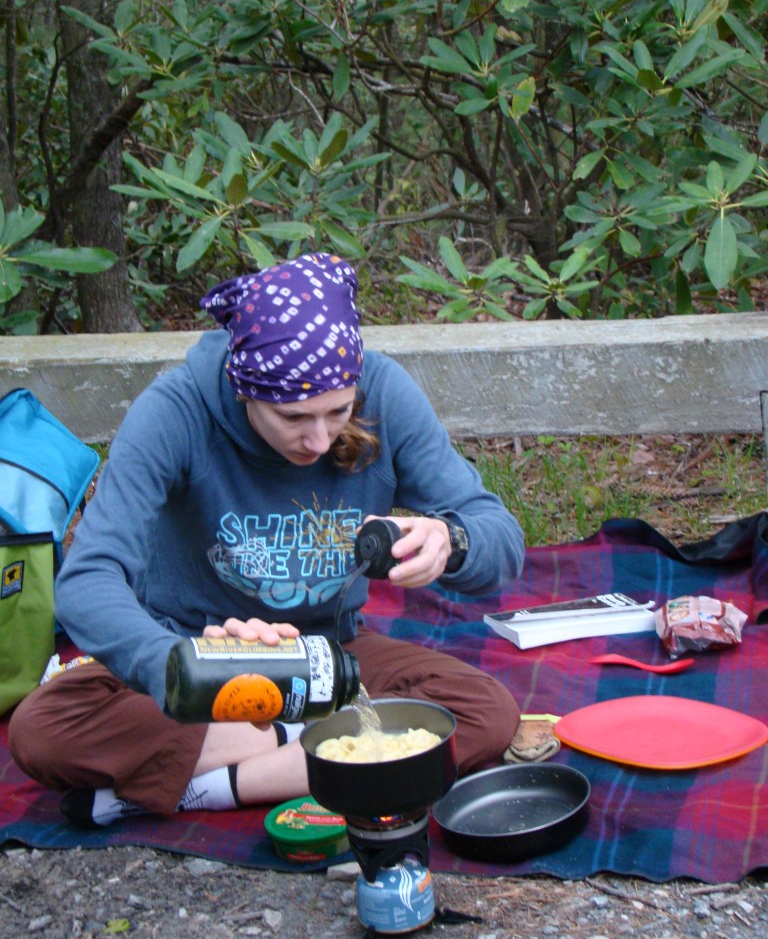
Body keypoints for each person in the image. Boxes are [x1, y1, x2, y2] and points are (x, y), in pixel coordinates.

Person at [9, 253, 525, 828]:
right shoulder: (177, 411)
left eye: (337, 412)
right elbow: (87, 579)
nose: (319, 439)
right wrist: (181, 672)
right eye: (293, 417)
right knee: (42, 730)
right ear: (244, 391)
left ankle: (212, 788)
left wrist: (451, 539)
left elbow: (500, 535)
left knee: (487, 714)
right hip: (195, 651)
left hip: (331, 658)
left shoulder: (386, 395)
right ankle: (329, 749)